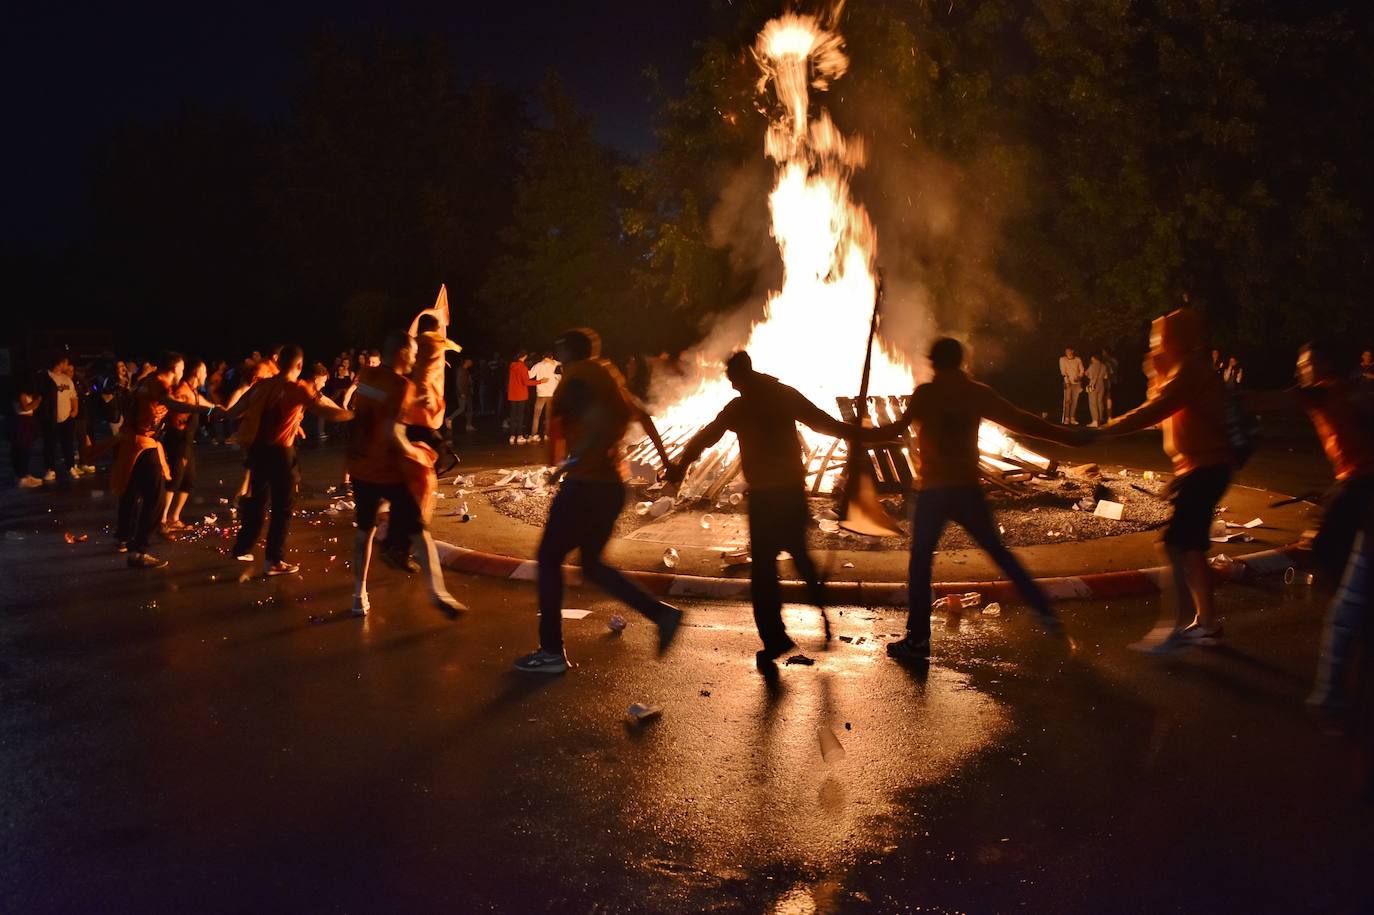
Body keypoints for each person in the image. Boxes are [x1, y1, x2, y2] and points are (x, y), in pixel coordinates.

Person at [666, 351, 887, 665]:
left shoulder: (740, 407)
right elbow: (825, 424)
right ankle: (820, 607)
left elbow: (706, 438)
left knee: (764, 573)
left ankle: (775, 638)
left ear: (739, 376)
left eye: (731, 380)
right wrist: (864, 435)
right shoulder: (783, 395)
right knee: (799, 555)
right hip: (791, 493)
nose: (731, 386)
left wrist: (680, 465)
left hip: (766, 498)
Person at [875, 338, 1085, 661]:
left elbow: (894, 430)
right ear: (959, 361)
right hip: (966, 490)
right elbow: (1022, 421)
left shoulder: (926, 394)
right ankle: (1047, 615)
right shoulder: (976, 393)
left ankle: (918, 640)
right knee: (1000, 555)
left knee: (920, 565)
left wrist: (851, 434)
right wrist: (1069, 437)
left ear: (934, 363)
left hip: (933, 492)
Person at [513, 327, 682, 674]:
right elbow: (643, 416)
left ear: (566, 350)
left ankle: (551, 652)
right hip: (612, 486)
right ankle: (661, 614)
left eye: (559, 345)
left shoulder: (577, 380)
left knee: (548, 558)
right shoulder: (608, 378)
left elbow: (597, 424)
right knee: (591, 564)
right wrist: (667, 462)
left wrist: (569, 464)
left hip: (586, 485)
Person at [1246, 343, 1374, 714]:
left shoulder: (1323, 389)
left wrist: (1225, 399)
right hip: (1354, 486)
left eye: (1307, 363)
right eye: (1300, 364)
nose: (1301, 369)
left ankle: (1331, 694)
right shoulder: (1350, 389)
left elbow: (1271, 401)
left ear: (1325, 363)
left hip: (1358, 487)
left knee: (1343, 592)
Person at [1099, 308, 1234, 651]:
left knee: (1173, 545)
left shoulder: (1190, 370)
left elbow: (1154, 411)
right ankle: (1207, 624)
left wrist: (1099, 433)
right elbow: (1162, 415)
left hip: (1206, 466)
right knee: (1191, 549)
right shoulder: (1180, 371)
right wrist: (1154, 374)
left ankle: (1172, 631)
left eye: (1159, 338)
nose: (1153, 344)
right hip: (1199, 467)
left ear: (1176, 340)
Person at [346, 331, 465, 617]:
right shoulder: (401, 385)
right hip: (388, 471)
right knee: (420, 531)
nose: (415, 359)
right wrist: (420, 455)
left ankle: (358, 596)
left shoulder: (366, 375)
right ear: (402, 353)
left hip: (360, 467)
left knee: (364, 533)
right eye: (412, 354)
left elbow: (368, 412)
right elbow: (393, 433)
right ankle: (438, 592)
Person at [227, 345, 352, 576]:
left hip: (258, 452)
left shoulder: (262, 386)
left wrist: (208, 412)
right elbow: (326, 412)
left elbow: (234, 410)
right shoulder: (297, 389)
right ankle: (274, 560)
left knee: (257, 501)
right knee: (282, 506)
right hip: (281, 454)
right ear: (299, 366)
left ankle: (242, 547)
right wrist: (354, 414)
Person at [112, 352, 214, 568]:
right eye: (182, 368)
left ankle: (124, 537)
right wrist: (205, 409)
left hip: (133, 442)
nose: (183, 372)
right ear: (175, 369)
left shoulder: (147, 381)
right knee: (156, 497)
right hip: (142, 443)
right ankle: (138, 550)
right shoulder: (159, 383)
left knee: (132, 491)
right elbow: (173, 404)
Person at [159, 359, 216, 532]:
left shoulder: (194, 392)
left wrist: (220, 409)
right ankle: (162, 519)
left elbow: (206, 405)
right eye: (204, 371)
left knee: (188, 480)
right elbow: (175, 408)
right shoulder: (183, 391)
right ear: (196, 373)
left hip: (188, 441)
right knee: (175, 478)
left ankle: (174, 517)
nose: (206, 375)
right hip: (178, 439)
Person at [37, 352, 80, 481]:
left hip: (66, 418)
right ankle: (50, 469)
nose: (67, 365)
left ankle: (70, 467)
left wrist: (75, 411)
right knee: (50, 444)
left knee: (67, 444)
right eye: (66, 363)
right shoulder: (46, 377)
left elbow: (73, 396)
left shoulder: (67, 379)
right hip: (51, 418)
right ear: (60, 363)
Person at [8, 383, 42, 488]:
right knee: (22, 449)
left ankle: (24, 474)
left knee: (26, 449)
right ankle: (22, 477)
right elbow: (26, 407)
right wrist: (37, 401)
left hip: (26, 421)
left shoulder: (24, 394)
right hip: (23, 422)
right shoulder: (21, 394)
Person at [528, 351, 561, 442]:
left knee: (536, 415)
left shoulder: (538, 365)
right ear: (552, 357)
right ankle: (547, 434)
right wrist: (553, 362)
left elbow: (529, 375)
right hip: (551, 393)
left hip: (541, 393)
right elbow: (562, 364)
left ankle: (534, 434)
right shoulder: (555, 364)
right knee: (548, 416)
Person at [506, 350, 532, 444]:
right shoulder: (523, 367)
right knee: (520, 416)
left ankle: (512, 436)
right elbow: (526, 382)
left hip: (512, 394)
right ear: (524, 357)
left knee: (513, 415)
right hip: (521, 395)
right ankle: (520, 436)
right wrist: (540, 381)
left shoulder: (512, 366)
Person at [1058, 346, 1085, 424]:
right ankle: (1066, 418)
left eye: (1069, 351)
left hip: (1077, 383)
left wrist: (1079, 377)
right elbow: (1063, 371)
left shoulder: (1078, 359)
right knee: (1067, 401)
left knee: (1075, 401)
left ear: (1072, 351)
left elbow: (1082, 370)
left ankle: (1072, 417)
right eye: (1066, 351)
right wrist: (1067, 381)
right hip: (1068, 383)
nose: (1067, 353)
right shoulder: (1062, 359)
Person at [450, 357, 476, 433]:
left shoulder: (466, 370)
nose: (472, 363)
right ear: (467, 361)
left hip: (468, 393)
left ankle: (468, 425)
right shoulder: (460, 370)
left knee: (470, 409)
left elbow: (468, 382)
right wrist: (461, 392)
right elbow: (458, 382)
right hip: (463, 393)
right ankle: (449, 418)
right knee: (462, 408)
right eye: (470, 361)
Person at [1085, 352, 1110, 428]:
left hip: (1093, 385)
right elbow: (1106, 376)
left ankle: (1095, 421)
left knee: (1093, 403)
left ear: (1094, 358)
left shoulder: (1092, 366)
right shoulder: (1104, 366)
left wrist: (1086, 373)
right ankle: (1100, 419)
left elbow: (1090, 376)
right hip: (1101, 384)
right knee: (1100, 402)